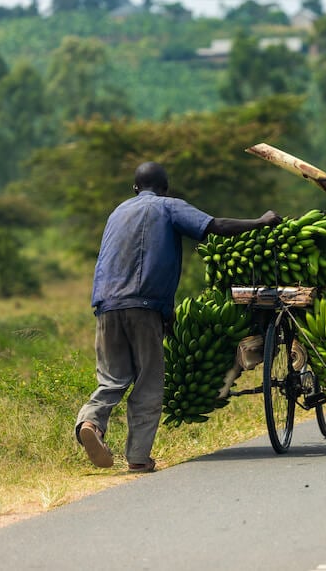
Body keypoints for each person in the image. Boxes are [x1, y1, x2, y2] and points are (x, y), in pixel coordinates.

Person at [75, 161, 281, 472]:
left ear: (134, 188)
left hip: (106, 304)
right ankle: (139, 458)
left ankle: (91, 422)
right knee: (148, 381)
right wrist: (261, 221)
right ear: (165, 188)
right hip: (144, 304)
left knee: (112, 378)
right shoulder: (168, 206)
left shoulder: (117, 212)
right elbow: (215, 226)